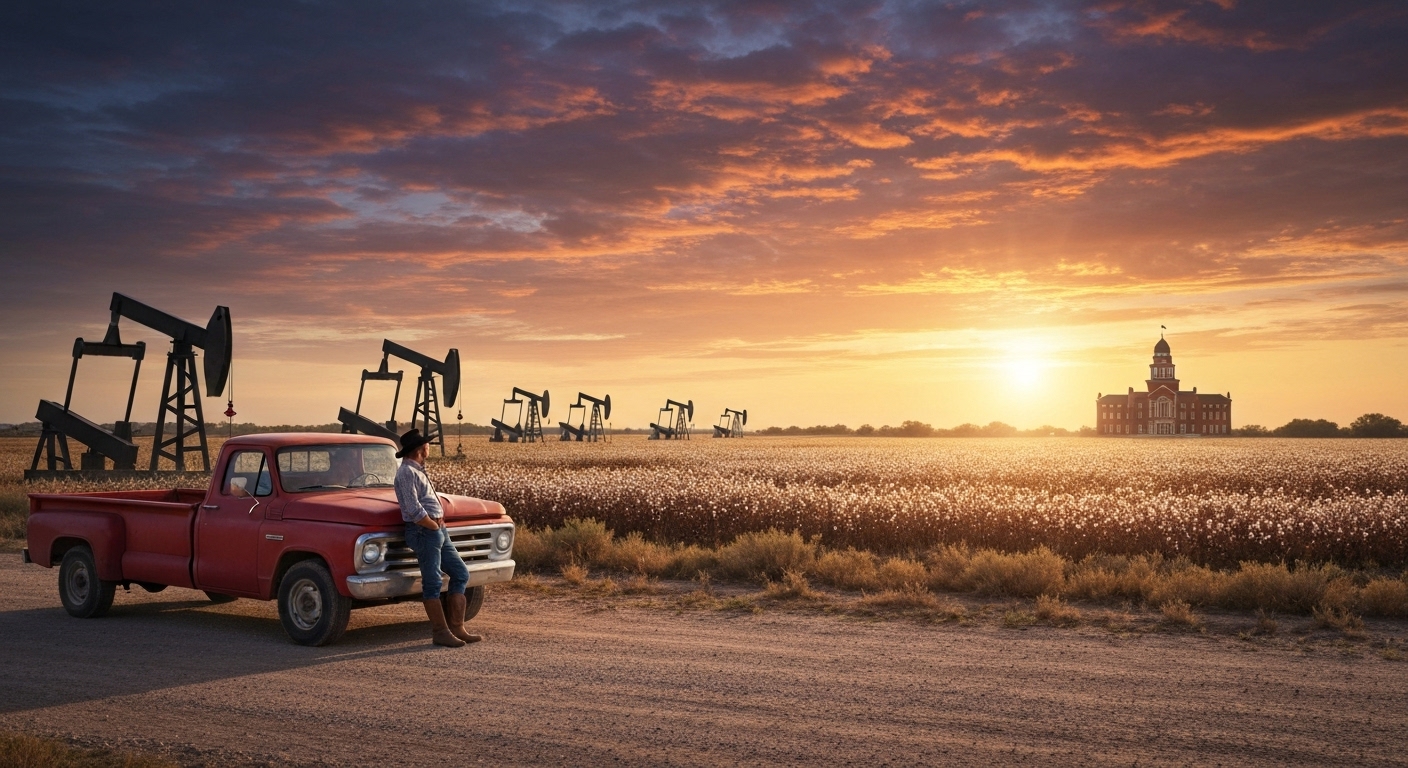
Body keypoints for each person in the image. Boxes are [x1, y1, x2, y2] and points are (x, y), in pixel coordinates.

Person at [394, 429, 481, 647]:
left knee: (460, 573)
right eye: (427, 444)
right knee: (432, 582)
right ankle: (440, 632)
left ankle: (457, 628)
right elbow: (412, 508)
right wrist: (432, 525)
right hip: (425, 531)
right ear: (421, 449)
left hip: (437, 530)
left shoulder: (418, 470)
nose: (429, 447)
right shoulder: (406, 473)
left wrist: (439, 525)